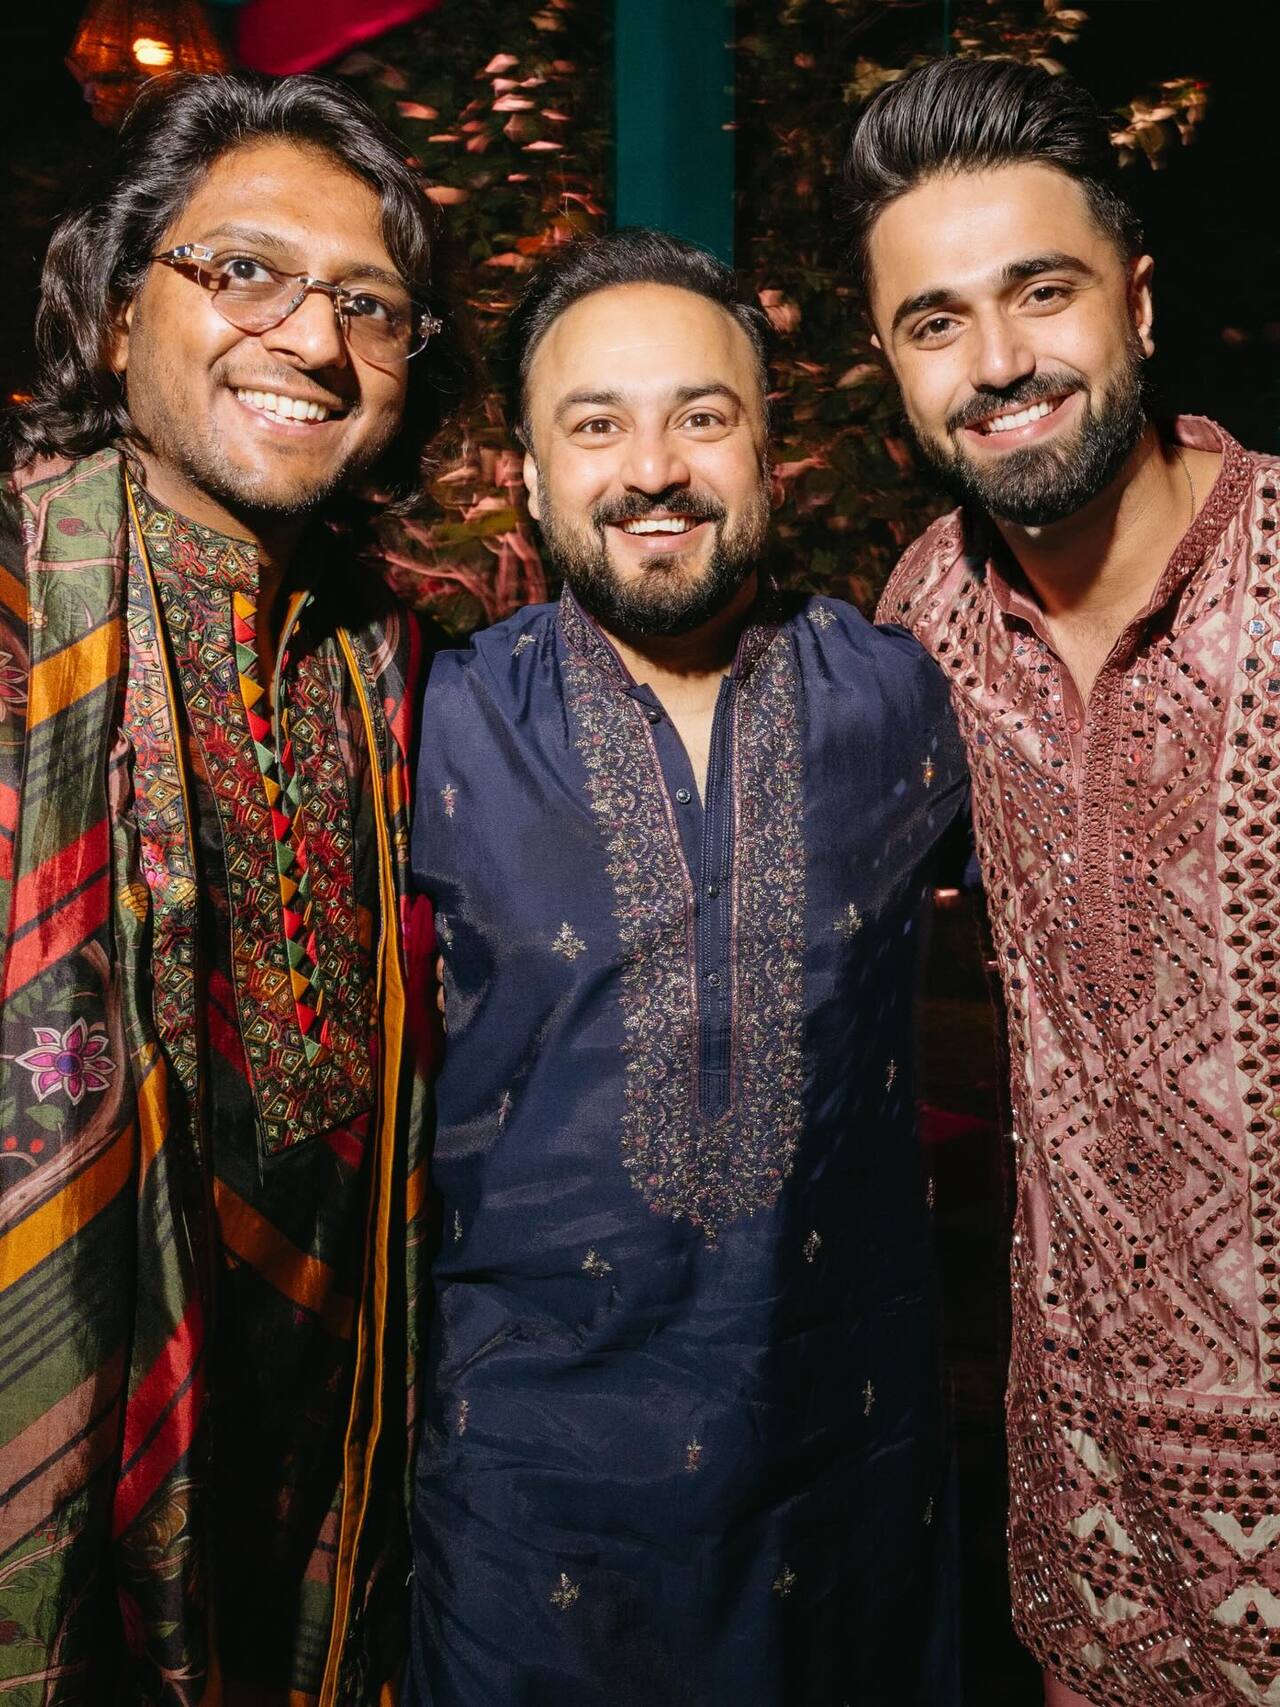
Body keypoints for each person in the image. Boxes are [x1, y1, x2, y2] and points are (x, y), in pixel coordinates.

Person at [404, 227, 968, 1706]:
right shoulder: (426, 722)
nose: (652, 467)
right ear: (529, 475)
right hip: (524, 1512)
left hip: (840, 1475)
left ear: (771, 454)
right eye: (596, 425)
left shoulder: (906, 695)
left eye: (701, 417)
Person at [0, 72, 466, 1703]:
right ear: (119, 310)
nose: (313, 342)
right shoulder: (15, 601)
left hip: (311, 1442)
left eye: (368, 305)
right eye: (244, 273)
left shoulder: (389, 657)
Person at [845, 54, 1280, 1707]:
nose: (1000, 362)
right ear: (890, 361)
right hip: (1099, 1538)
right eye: (935, 321)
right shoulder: (922, 624)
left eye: (1043, 293)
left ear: (1140, 302)